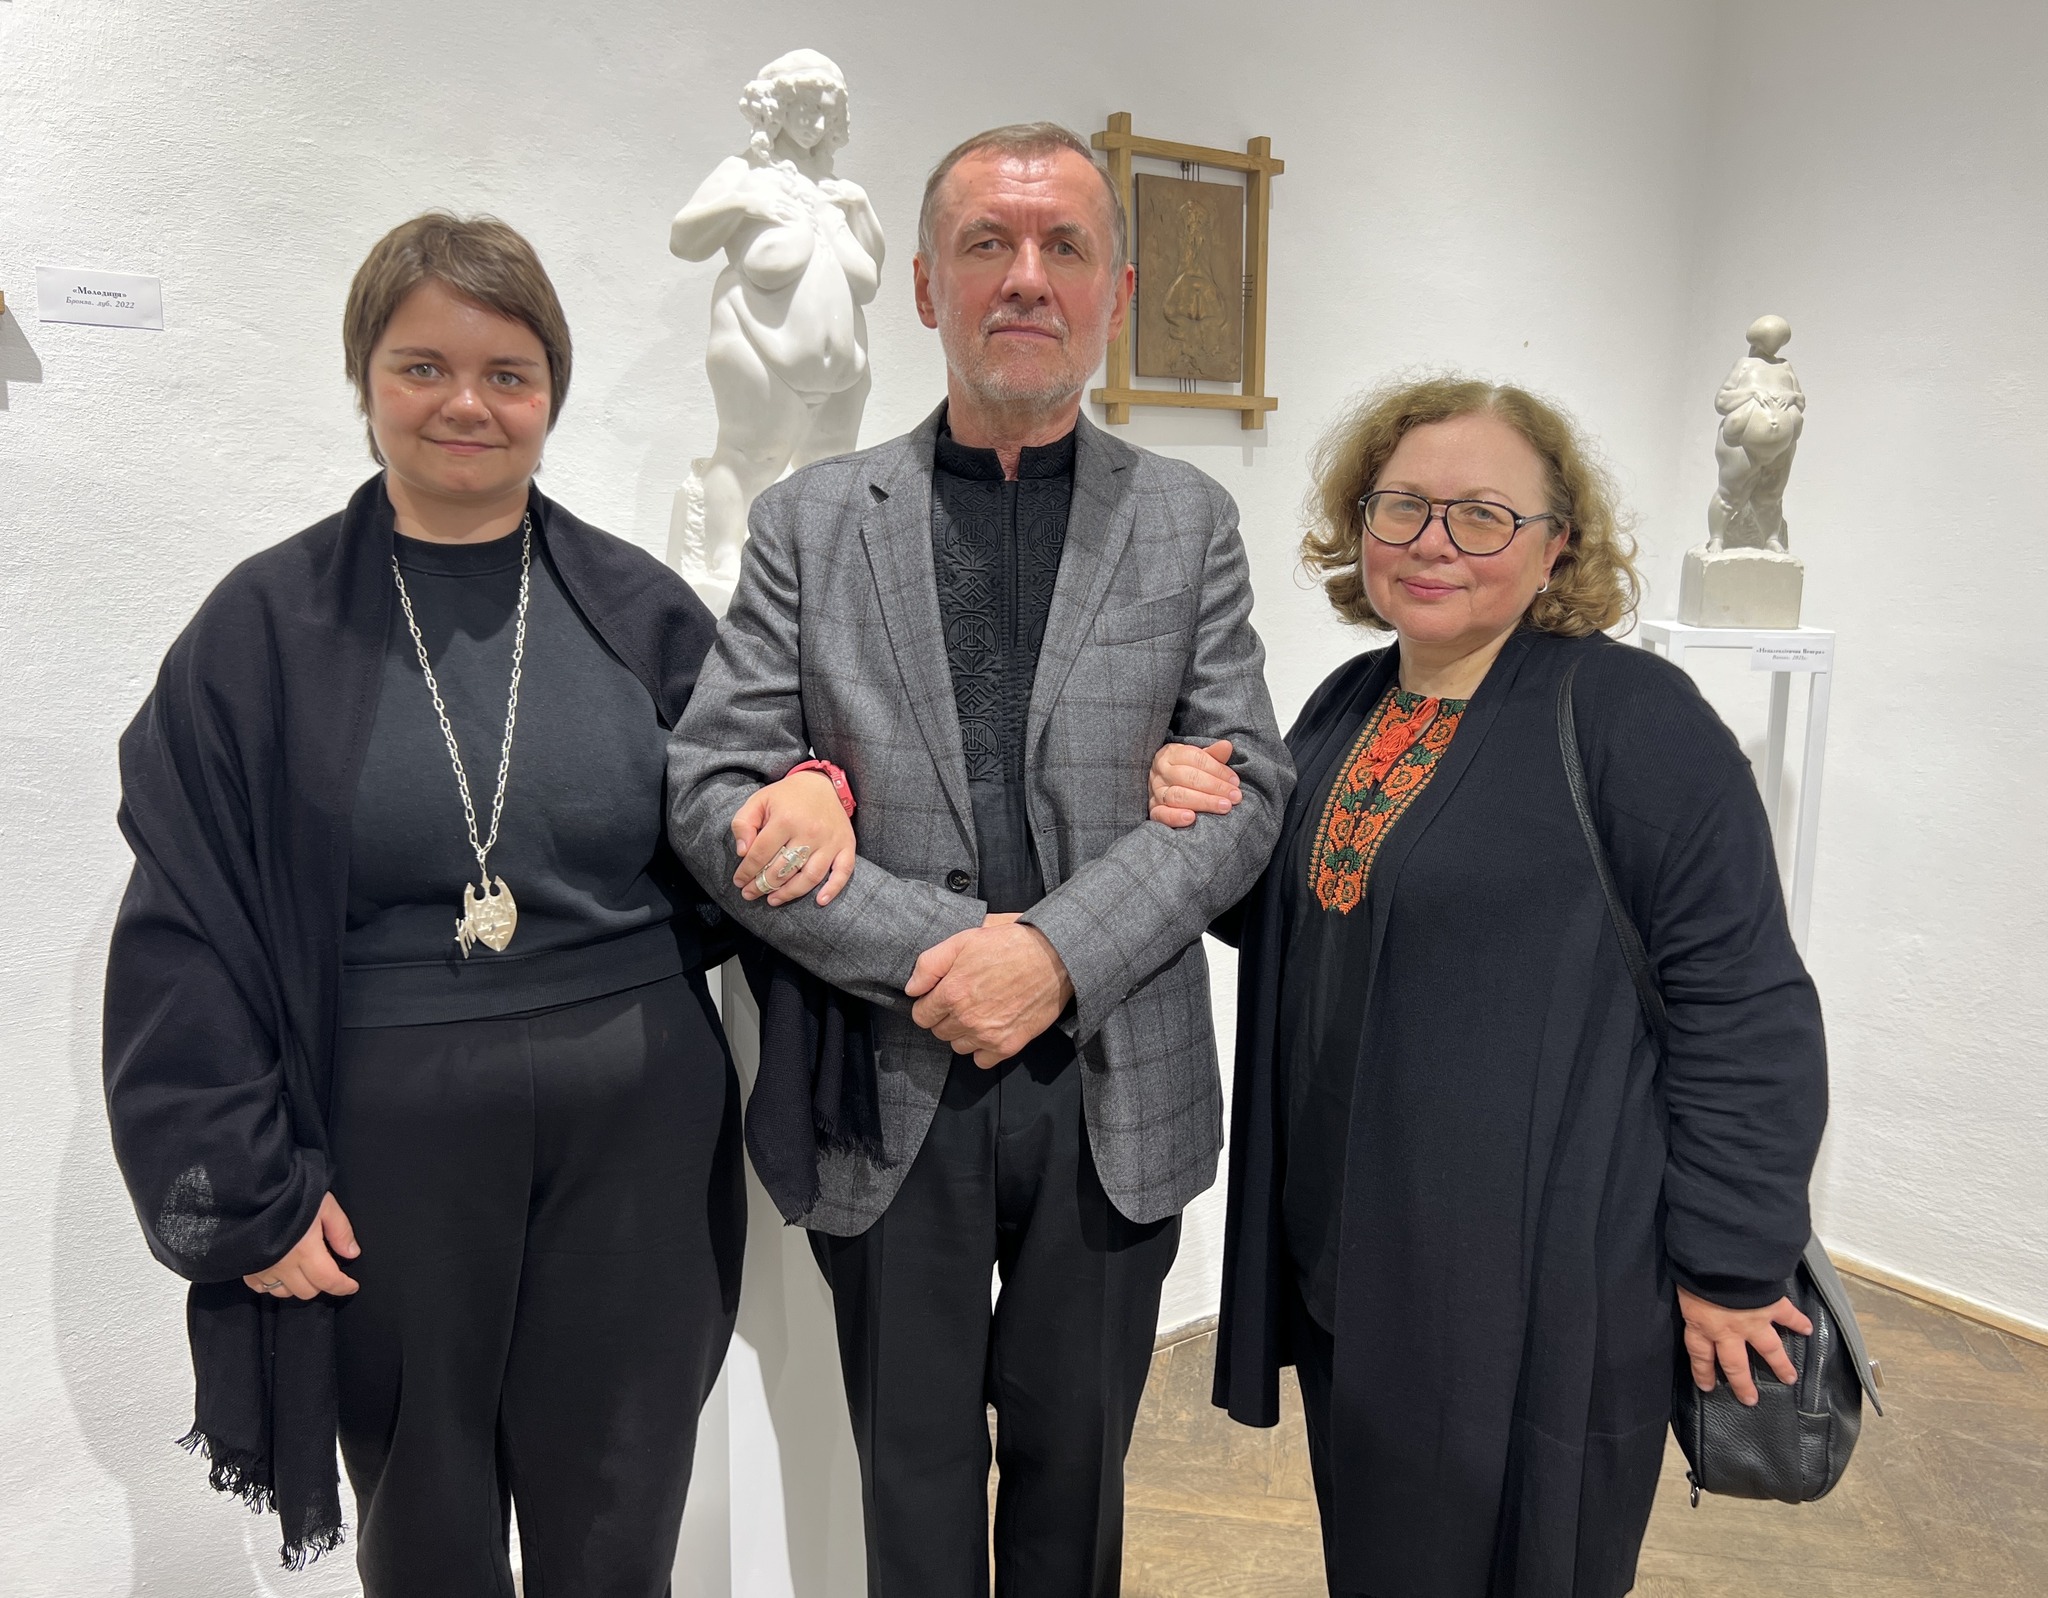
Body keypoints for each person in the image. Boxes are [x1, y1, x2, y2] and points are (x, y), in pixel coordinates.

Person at [102, 212, 853, 1592]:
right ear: (365, 380)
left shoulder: (639, 607)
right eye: (423, 367)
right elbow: (188, 926)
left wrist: (815, 782)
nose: (466, 403)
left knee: (621, 1519)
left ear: (550, 392)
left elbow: (759, 784)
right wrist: (246, 1188)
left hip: (639, 1139)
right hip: (390, 1153)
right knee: (427, 1532)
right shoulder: (262, 631)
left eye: (508, 372)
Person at [667, 124, 1291, 1597]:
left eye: (1064, 246)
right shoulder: (811, 523)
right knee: (912, 1488)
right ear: (925, 288)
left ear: (1114, 292)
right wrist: (947, 955)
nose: (1026, 277)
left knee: (1078, 1489)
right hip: (893, 1081)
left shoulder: (1187, 520)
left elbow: (1250, 785)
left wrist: (1055, 954)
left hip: (1112, 1082)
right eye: (986, 246)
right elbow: (711, 789)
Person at [1151, 376, 1828, 1597]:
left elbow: (1743, 1005)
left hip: (1534, 1295)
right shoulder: (1352, 701)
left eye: (1481, 515)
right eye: (1401, 506)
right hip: (1357, 1266)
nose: (1432, 542)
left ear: (1555, 541)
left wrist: (1732, 1264)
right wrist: (1209, 819)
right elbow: (1304, 916)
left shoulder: (1630, 721)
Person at [669, 48, 885, 585]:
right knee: (750, 456)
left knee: (831, 468)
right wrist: (741, 205)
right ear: (776, 109)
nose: (814, 122)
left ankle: (818, 569)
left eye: (824, 112)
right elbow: (685, 237)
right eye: (802, 108)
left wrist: (859, 208)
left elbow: (871, 273)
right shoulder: (746, 172)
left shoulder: (837, 192)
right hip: (758, 348)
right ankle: (725, 558)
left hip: (843, 369)